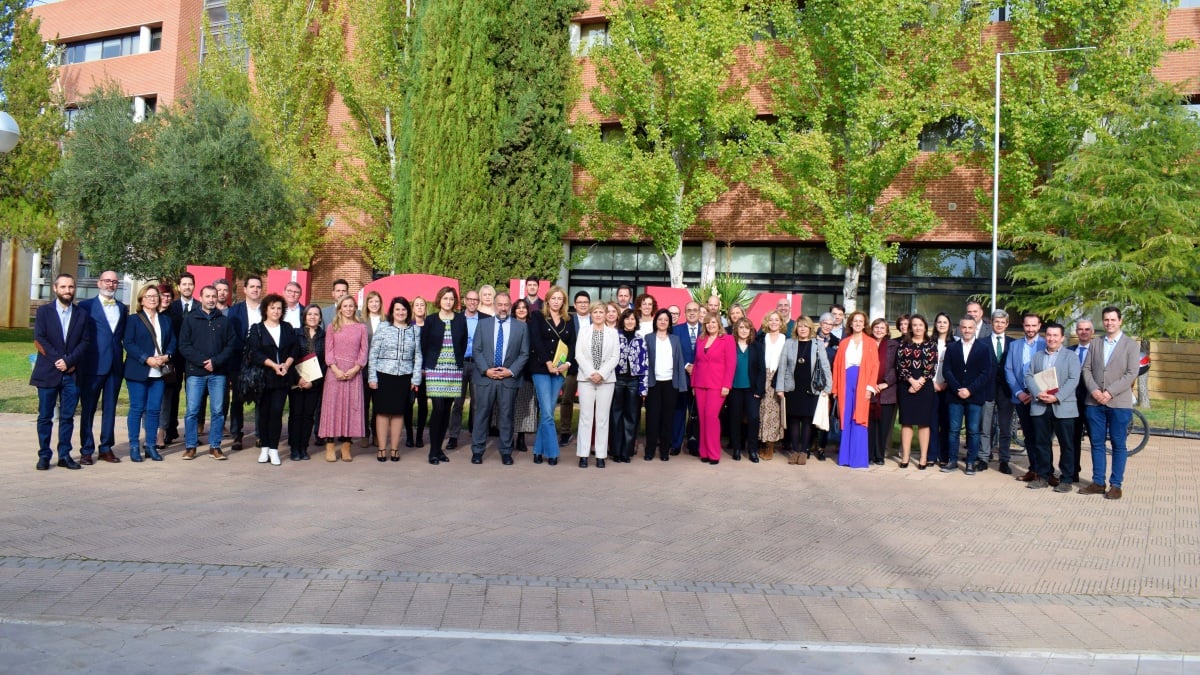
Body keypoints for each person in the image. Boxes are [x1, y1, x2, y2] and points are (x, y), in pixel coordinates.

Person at [31, 273, 91, 471]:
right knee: (45, 416)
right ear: (55, 289)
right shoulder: (44, 312)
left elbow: (85, 342)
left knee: (67, 417)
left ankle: (64, 454)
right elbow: (40, 339)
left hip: (71, 373)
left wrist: (69, 361)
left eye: (71, 287)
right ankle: (44, 455)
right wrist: (58, 360)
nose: (68, 290)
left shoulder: (81, 314)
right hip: (48, 371)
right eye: (63, 287)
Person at [1079, 306, 1140, 500]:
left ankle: (1116, 485)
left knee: (1118, 444)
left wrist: (1110, 392)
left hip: (1119, 403)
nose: (1109, 323)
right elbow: (1086, 369)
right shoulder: (1095, 344)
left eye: (1113, 319)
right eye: (1106, 320)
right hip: (1094, 402)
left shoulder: (1131, 345)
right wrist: (1095, 391)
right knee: (1096, 443)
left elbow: (1131, 373)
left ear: (1120, 321)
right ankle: (1098, 482)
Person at [178, 285, 238, 461]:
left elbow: (231, 345)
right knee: (192, 411)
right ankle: (190, 446)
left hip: (218, 373)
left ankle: (215, 446)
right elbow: (184, 345)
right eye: (208, 296)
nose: (211, 299)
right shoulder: (190, 319)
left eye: (214, 296)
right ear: (201, 298)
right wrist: (203, 362)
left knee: (218, 411)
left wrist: (216, 362)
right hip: (195, 373)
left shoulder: (224, 321)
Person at [470, 292, 529, 465]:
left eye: (506, 305)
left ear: (510, 306)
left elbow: (524, 353)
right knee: (481, 415)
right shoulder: (483, 324)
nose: (503, 308)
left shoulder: (521, 327)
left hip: (508, 379)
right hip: (485, 378)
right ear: (494, 305)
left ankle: (505, 451)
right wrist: (486, 370)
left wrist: (510, 371)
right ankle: (478, 451)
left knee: (506, 416)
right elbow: (477, 350)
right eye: (500, 304)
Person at [1024, 322, 1080, 492]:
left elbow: (1073, 380)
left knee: (1066, 444)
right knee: (1041, 443)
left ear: (1062, 338)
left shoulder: (1071, 357)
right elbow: (1028, 375)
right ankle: (1043, 475)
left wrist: (1057, 397)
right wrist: (1037, 393)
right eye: (1049, 335)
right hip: (1040, 405)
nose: (1052, 338)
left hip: (1063, 406)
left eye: (1055, 335)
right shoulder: (1038, 356)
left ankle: (1066, 479)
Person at [78, 270, 127, 464]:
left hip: (115, 366)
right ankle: (86, 449)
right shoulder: (85, 306)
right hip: (92, 365)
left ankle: (106, 447)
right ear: (99, 283)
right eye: (107, 281)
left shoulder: (123, 308)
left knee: (110, 409)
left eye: (114, 282)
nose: (110, 285)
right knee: (88, 409)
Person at [245, 293, 298, 467]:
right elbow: (255, 352)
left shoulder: (288, 327)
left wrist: (286, 365)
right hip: (264, 377)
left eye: (279, 308)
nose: (276, 311)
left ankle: (274, 449)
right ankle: (264, 447)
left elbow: (294, 348)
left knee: (276, 412)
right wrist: (273, 365)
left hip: (282, 377)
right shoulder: (257, 328)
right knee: (264, 413)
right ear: (265, 309)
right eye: (272, 308)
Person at [368, 297, 422, 463]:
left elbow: (418, 355)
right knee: (382, 412)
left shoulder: (414, 330)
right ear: (392, 311)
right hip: (383, 374)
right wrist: (372, 376)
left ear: (408, 311)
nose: (401, 312)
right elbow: (373, 353)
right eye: (397, 309)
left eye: (404, 309)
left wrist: (416, 378)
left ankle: (395, 448)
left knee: (399, 413)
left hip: (404, 376)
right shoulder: (383, 328)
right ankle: (382, 448)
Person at [123, 284, 174, 462]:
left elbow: (172, 341)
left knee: (154, 410)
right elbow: (128, 343)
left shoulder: (165, 320)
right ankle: (134, 446)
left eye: (155, 296)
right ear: (141, 300)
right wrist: (147, 358)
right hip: (139, 371)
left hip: (159, 372)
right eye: (149, 296)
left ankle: (151, 445)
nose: (153, 299)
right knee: (137, 409)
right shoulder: (133, 320)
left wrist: (167, 356)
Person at [940, 316, 995, 475]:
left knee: (973, 430)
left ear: (974, 329)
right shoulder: (951, 347)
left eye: (970, 328)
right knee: (954, 430)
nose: (967, 330)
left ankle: (970, 462)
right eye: (964, 327)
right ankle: (952, 461)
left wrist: (969, 390)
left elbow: (986, 373)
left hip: (975, 396)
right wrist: (958, 388)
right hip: (955, 395)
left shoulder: (983, 348)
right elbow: (947, 371)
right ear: (959, 328)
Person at [419, 286, 467, 465]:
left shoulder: (460, 320)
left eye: (451, 299)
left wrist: (458, 364)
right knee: (438, 408)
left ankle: (439, 449)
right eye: (445, 298)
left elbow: (462, 343)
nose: (448, 302)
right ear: (439, 300)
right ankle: (432, 451)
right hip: (435, 369)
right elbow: (423, 345)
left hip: (454, 369)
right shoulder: (431, 320)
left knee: (446, 410)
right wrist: (424, 367)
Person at [776, 316, 832, 466]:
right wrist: (780, 388)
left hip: (811, 388)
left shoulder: (817, 344)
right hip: (792, 387)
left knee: (807, 420)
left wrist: (828, 387)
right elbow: (782, 366)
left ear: (810, 329)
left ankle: (804, 451)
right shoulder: (789, 343)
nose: (802, 329)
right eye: (800, 326)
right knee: (793, 419)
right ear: (796, 328)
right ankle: (795, 451)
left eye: (805, 326)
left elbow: (826, 367)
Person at [528, 286, 574, 466]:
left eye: (559, 299)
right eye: (553, 298)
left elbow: (572, 343)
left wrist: (567, 364)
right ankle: (553, 452)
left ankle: (538, 451)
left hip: (559, 371)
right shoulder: (538, 317)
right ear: (547, 300)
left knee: (547, 412)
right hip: (541, 368)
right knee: (547, 412)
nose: (556, 301)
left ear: (563, 301)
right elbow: (536, 340)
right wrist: (548, 362)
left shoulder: (569, 319)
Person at [320, 296, 368, 462]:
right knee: (332, 408)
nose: (348, 309)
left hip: (354, 374)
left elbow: (364, 351)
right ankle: (330, 446)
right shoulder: (332, 327)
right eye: (345, 306)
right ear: (339, 308)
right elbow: (328, 351)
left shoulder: (361, 327)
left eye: (351, 306)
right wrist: (334, 368)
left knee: (351, 408)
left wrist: (356, 368)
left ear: (355, 308)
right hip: (335, 373)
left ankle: (347, 446)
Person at [575, 304, 620, 468]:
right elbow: (578, 354)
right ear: (591, 314)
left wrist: (601, 373)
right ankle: (583, 455)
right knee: (586, 417)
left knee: (602, 418)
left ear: (606, 314)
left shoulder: (613, 333)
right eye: (595, 312)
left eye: (602, 312)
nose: (599, 314)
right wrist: (591, 373)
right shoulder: (584, 331)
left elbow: (615, 357)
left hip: (606, 380)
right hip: (586, 380)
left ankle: (601, 455)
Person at [225, 275, 264, 451]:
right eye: (252, 286)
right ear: (245, 289)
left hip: (262, 361)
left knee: (261, 399)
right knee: (238, 400)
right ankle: (237, 435)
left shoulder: (267, 309)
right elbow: (231, 337)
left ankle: (260, 434)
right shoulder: (234, 311)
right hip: (239, 361)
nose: (255, 289)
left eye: (258, 286)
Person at [1007, 313, 1046, 482]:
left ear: (1039, 326)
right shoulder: (1015, 345)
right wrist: (1019, 393)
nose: (1030, 329)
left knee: (1042, 435)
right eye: (1027, 326)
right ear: (1023, 326)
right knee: (1029, 435)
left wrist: (1035, 392)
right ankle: (1033, 469)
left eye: (1034, 326)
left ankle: (1046, 471)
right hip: (1021, 397)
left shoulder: (1046, 344)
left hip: (1040, 397)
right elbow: (1008, 370)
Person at [644, 309, 687, 462]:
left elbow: (680, 362)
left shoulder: (675, 339)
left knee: (668, 419)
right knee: (652, 418)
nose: (662, 322)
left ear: (669, 323)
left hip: (671, 384)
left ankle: (664, 451)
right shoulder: (648, 338)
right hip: (653, 384)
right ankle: (649, 450)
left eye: (666, 320)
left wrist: (682, 386)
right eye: (660, 319)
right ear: (655, 321)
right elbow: (645, 363)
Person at [691, 313, 735, 465]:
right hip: (700, 384)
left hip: (717, 385)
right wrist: (693, 384)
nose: (711, 325)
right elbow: (696, 363)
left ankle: (714, 453)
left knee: (711, 417)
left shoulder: (727, 339)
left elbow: (731, 364)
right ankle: (704, 452)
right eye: (708, 323)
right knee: (702, 418)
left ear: (719, 324)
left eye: (713, 322)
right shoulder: (701, 339)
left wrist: (726, 385)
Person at [896, 314, 937, 469]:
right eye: (914, 325)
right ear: (911, 327)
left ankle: (923, 457)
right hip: (906, 385)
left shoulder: (931, 345)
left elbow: (932, 367)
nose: (918, 328)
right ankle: (905, 457)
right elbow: (900, 366)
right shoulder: (903, 344)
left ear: (925, 326)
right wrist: (911, 381)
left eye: (920, 325)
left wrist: (919, 382)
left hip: (924, 386)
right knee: (906, 422)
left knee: (923, 423)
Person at [609, 309, 649, 464]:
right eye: (627, 319)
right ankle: (616, 451)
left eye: (633, 319)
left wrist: (643, 387)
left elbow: (645, 364)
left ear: (636, 322)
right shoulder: (615, 337)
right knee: (616, 416)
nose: (630, 321)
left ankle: (627, 452)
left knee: (631, 418)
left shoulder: (641, 339)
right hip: (617, 379)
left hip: (634, 381)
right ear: (623, 320)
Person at [161, 273, 195, 448]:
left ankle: (193, 431)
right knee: (171, 395)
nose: (187, 287)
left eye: (190, 284)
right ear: (179, 287)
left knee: (195, 396)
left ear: (194, 286)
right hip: (173, 359)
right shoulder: (170, 307)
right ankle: (169, 429)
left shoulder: (199, 306)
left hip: (193, 359)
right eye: (184, 284)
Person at [287, 305, 325, 461]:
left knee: (309, 416)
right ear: (304, 317)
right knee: (296, 415)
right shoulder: (295, 334)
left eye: (316, 314)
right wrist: (298, 379)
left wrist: (313, 382)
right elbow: (290, 358)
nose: (313, 317)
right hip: (297, 382)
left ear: (320, 318)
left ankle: (303, 448)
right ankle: (294, 448)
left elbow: (325, 362)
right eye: (310, 314)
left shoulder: (325, 336)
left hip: (314, 383)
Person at [979, 310, 1015, 474]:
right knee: (985, 426)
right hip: (987, 389)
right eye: (996, 322)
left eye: (1002, 322)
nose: (999, 325)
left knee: (1005, 428)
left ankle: (1004, 460)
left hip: (1007, 391)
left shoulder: (1013, 344)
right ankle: (983, 458)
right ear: (991, 323)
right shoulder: (981, 342)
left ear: (1007, 324)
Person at [448, 287, 482, 450]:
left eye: (476, 300)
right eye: (470, 299)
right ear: (465, 301)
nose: (472, 302)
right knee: (458, 402)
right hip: (460, 363)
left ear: (478, 302)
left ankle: (475, 435)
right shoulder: (456, 318)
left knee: (477, 403)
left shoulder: (485, 319)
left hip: (477, 364)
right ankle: (453, 436)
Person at [725, 318, 763, 462]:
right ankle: (736, 448)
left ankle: (753, 450)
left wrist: (759, 390)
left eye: (747, 328)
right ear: (736, 329)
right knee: (735, 419)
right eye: (741, 327)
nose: (744, 330)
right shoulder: (730, 345)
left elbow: (761, 370)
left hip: (751, 390)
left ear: (751, 330)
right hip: (734, 389)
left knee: (753, 418)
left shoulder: (757, 346)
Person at [558, 290, 590, 445]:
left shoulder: (595, 320)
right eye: (580, 302)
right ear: (575, 305)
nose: (583, 304)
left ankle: (586, 433)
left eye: (585, 302)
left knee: (588, 402)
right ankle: (565, 432)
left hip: (590, 368)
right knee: (566, 399)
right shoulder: (568, 320)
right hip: (572, 366)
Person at [508, 298, 540, 452]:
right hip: (509, 370)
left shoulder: (532, 326)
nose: (521, 310)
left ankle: (521, 438)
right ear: (514, 310)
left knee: (524, 406)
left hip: (527, 371)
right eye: (518, 308)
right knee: (509, 405)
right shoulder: (508, 325)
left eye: (524, 308)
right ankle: (508, 437)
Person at [671, 301, 702, 456]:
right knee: (678, 412)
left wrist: (696, 367)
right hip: (681, 379)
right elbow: (673, 353)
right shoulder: (676, 330)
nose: (692, 313)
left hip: (700, 380)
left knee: (696, 414)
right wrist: (686, 366)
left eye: (695, 310)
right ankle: (675, 444)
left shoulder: (707, 329)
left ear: (699, 312)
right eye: (689, 310)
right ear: (685, 312)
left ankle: (694, 444)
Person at [757, 311, 788, 460]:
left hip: (778, 377)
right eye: (771, 320)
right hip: (763, 377)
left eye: (777, 320)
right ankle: (761, 442)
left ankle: (770, 445)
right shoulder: (762, 338)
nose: (774, 322)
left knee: (775, 413)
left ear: (781, 322)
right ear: (767, 322)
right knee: (762, 411)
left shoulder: (786, 340)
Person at [1067, 319, 1095, 483]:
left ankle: (1097, 477)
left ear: (1092, 332)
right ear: (1076, 332)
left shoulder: (1099, 351)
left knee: (1095, 440)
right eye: (1080, 329)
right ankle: (1073, 471)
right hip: (1073, 402)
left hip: (1093, 401)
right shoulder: (1069, 351)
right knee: (1072, 439)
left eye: (1087, 329)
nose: (1083, 332)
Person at [868, 318, 898, 466]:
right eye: (876, 327)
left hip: (887, 391)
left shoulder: (894, 345)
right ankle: (868, 453)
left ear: (887, 331)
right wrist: (870, 383)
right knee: (869, 425)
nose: (879, 330)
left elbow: (896, 367)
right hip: (869, 390)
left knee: (883, 426)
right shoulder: (866, 343)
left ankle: (879, 455)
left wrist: (885, 383)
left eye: (882, 328)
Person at [360, 290, 386, 448]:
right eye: (371, 302)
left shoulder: (387, 321)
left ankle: (377, 433)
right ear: (367, 304)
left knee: (379, 403)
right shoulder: (361, 321)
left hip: (382, 368)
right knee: (364, 402)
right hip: (364, 368)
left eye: (377, 301)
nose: (374, 304)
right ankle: (364, 433)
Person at [929, 312, 954, 467]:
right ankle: (931, 455)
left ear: (949, 325)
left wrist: (946, 383)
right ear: (935, 325)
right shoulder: (929, 343)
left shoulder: (955, 343)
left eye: (945, 322)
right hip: (931, 388)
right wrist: (933, 383)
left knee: (946, 423)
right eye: (939, 322)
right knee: (932, 422)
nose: (942, 325)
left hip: (948, 388)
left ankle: (944, 455)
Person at [410, 296, 429, 447]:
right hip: (409, 372)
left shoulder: (430, 325)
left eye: (422, 305)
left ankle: (420, 436)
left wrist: (425, 368)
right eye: (417, 305)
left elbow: (432, 349)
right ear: (413, 308)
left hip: (426, 372)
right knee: (408, 403)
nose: (420, 307)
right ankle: (409, 435)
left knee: (423, 404)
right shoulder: (408, 326)